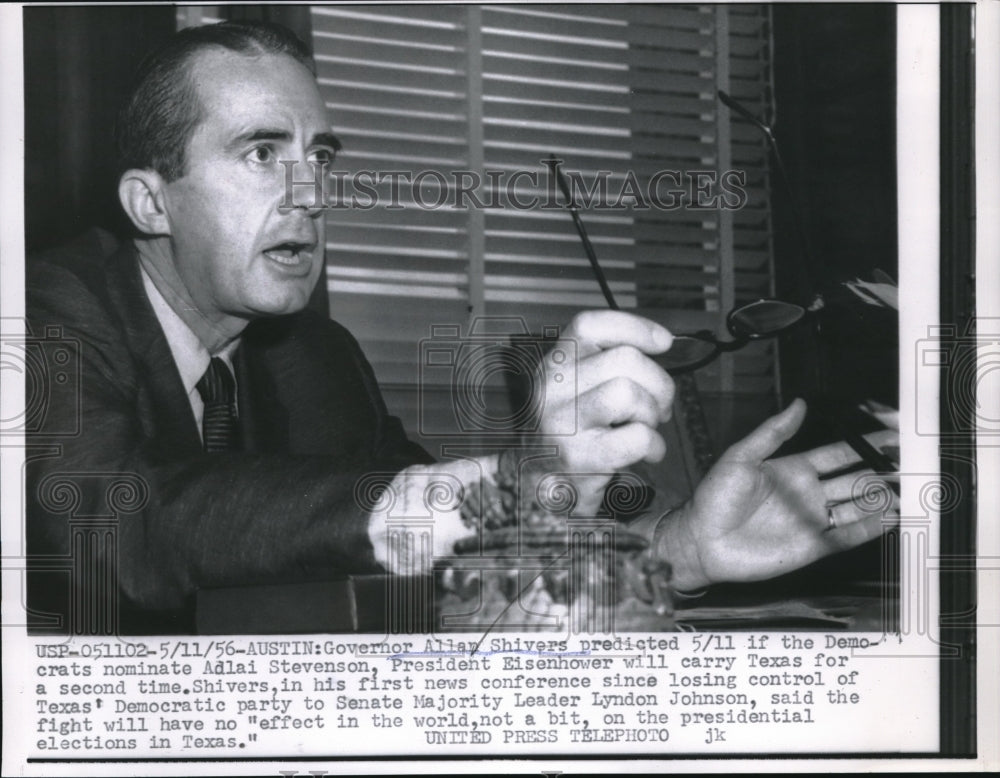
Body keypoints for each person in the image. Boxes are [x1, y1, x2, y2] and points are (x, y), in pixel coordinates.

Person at [25, 20, 897, 634]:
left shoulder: (314, 357)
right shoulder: (45, 312)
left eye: (319, 156)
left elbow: (440, 554)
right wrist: (512, 482)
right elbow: (120, 533)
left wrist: (677, 549)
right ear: (149, 200)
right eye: (261, 153)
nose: (313, 195)